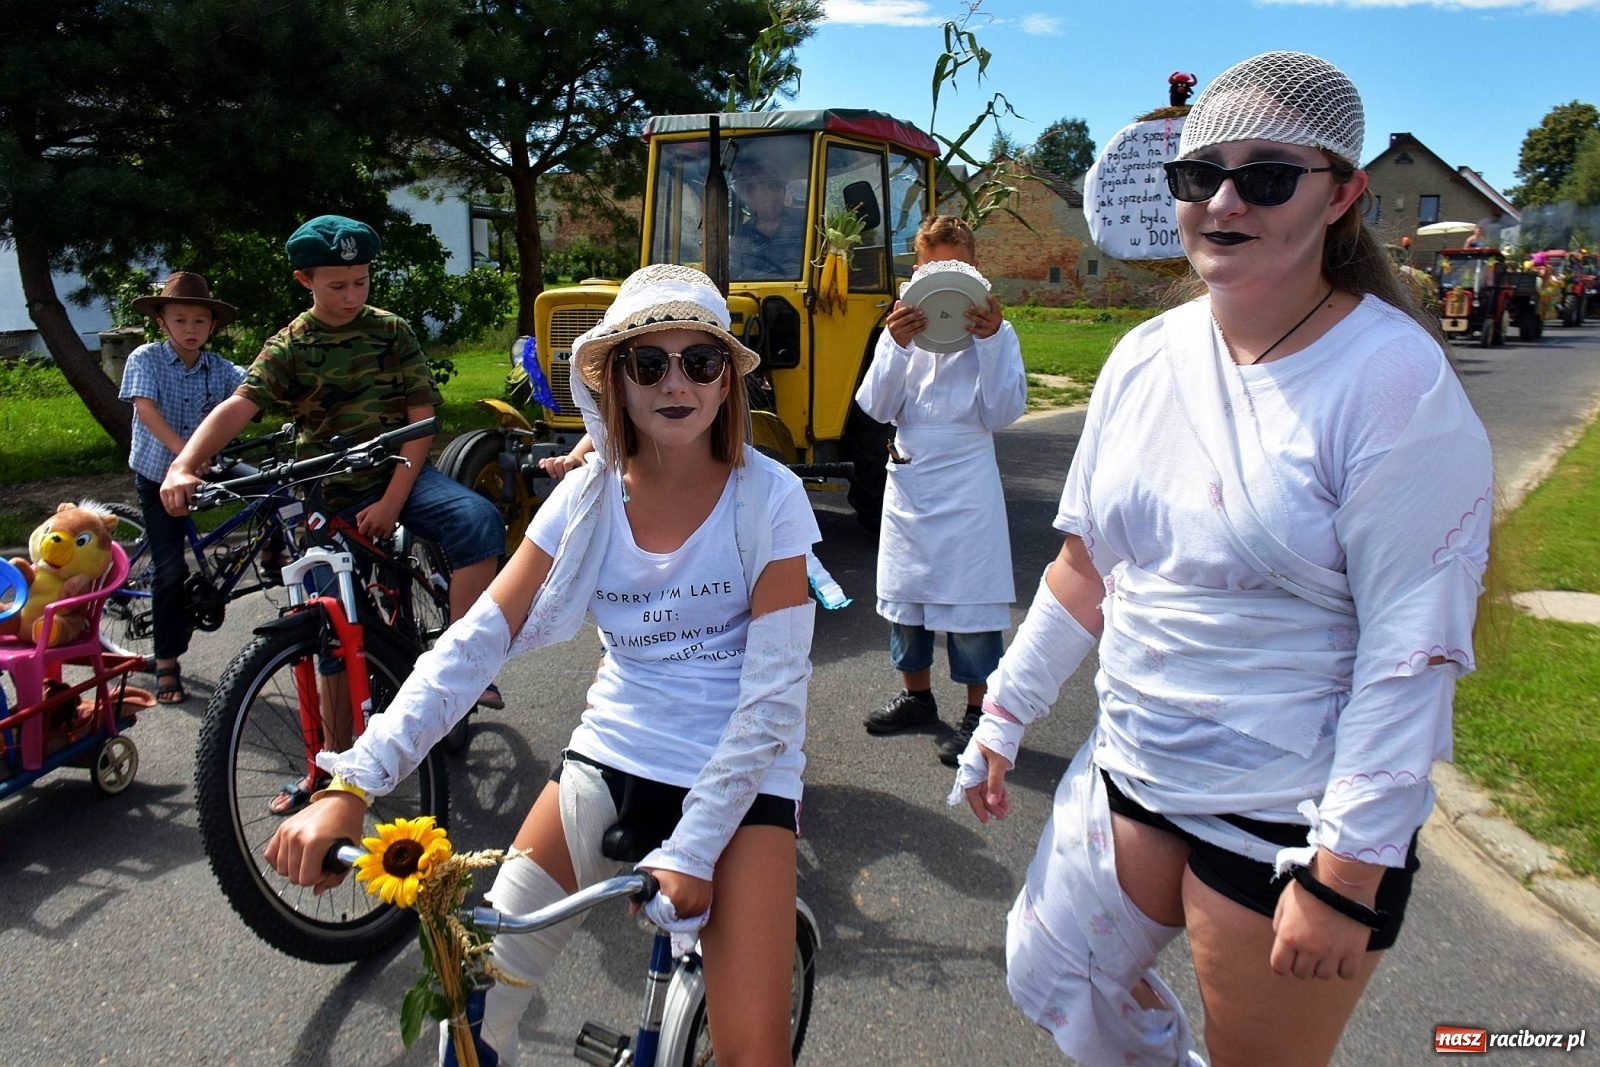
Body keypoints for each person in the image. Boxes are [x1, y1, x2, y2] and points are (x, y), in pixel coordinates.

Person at [949, 52, 1492, 1067]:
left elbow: (1408, 653)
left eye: (1267, 175)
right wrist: (1005, 713)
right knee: (1048, 972)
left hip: (1287, 818)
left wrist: (1346, 872)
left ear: (1342, 194)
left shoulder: (1391, 384)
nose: (1225, 200)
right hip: (1132, 769)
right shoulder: (1146, 358)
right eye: (1199, 176)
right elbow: (1084, 564)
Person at [265, 264, 820, 1067]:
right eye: (648, 362)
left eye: (700, 361)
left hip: (742, 781)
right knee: (473, 1003)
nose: (676, 382)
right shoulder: (587, 496)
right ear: (615, 381)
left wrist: (696, 846)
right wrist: (355, 781)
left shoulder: (770, 498)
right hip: (612, 756)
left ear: (727, 379)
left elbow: (773, 705)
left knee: (752, 1055)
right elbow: (475, 639)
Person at [160, 215, 507, 811]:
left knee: (478, 521)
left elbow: (421, 417)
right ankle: (332, 770)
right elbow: (239, 407)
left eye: (361, 282)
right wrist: (184, 463)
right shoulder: (291, 345)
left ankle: (464, 665)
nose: (352, 297)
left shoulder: (392, 332)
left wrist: (393, 500)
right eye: (336, 286)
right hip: (327, 488)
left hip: (400, 474)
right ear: (304, 280)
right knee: (325, 624)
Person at [858, 216, 1026, 766]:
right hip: (911, 470)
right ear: (916, 271)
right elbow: (877, 409)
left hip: (966, 475)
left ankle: (980, 714)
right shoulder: (901, 331)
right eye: (929, 269)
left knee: (971, 599)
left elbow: (1002, 412)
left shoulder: (995, 332)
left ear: (974, 269)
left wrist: (994, 341)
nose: (940, 280)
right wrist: (895, 345)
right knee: (906, 596)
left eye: (953, 267)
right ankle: (917, 697)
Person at [118, 272, 247, 704]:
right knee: (171, 569)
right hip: (160, 474)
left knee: (278, 491)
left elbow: (255, 389)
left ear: (212, 326)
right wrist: (185, 456)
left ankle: (272, 551)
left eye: (199, 321)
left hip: (207, 467)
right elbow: (147, 412)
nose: (190, 330)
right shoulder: (145, 359)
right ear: (162, 322)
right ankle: (167, 661)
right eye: (180, 320)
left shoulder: (220, 368)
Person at [730, 159, 808, 281]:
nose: (769, 193)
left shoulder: (805, 222)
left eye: (774, 187)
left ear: (783, 192)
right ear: (750, 195)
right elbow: (731, 275)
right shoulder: (742, 236)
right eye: (760, 188)